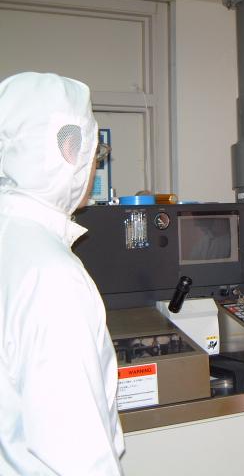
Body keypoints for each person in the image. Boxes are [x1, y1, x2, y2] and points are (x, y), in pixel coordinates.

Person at [0, 72, 124, 474]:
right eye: (94, 154)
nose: (94, 165)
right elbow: (78, 457)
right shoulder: (53, 278)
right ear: (69, 152)